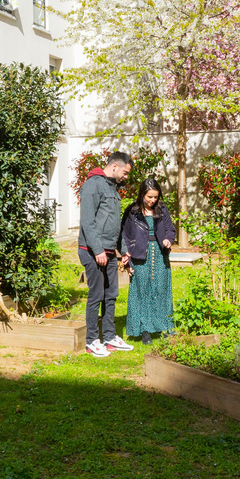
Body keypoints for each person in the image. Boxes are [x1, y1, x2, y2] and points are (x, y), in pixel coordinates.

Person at [78, 151, 136, 357]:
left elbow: (114, 225)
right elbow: (87, 222)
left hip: (109, 252)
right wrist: (98, 250)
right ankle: (92, 341)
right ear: (114, 167)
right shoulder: (93, 185)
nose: (126, 177)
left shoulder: (112, 188)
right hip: (92, 251)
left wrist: (124, 252)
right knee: (97, 295)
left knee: (111, 295)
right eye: (125, 172)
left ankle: (110, 338)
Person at [120, 178, 177, 345]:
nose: (152, 200)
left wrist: (168, 239)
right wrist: (127, 260)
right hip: (139, 255)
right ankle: (145, 329)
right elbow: (125, 235)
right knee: (141, 291)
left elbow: (170, 229)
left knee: (161, 289)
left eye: (155, 197)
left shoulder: (162, 210)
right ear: (142, 194)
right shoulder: (133, 211)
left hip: (160, 255)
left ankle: (163, 326)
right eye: (149, 197)